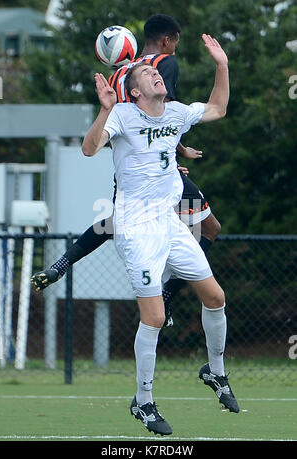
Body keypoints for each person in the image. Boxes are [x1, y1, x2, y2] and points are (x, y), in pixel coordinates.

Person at [81, 33, 239, 435]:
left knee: (215, 296)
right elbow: (89, 148)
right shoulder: (122, 115)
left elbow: (219, 108)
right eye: (149, 72)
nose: (157, 73)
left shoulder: (175, 112)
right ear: (134, 91)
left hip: (169, 223)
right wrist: (104, 110)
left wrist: (221, 64)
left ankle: (215, 373)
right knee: (154, 316)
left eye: (156, 70)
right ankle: (145, 401)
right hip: (136, 229)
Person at [31, 14, 221, 327]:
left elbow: (136, 122)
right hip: (157, 168)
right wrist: (175, 153)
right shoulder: (162, 64)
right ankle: (168, 293)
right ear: (167, 41)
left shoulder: (122, 73)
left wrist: (172, 151)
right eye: (176, 42)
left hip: (130, 165)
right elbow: (160, 119)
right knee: (209, 228)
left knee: (120, 220)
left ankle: (63, 262)